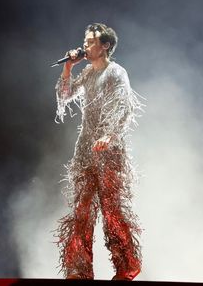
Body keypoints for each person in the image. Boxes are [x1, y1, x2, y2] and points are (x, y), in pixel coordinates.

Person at [54, 23, 145, 280]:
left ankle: (127, 267)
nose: (86, 45)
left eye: (91, 41)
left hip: (109, 151)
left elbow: (123, 107)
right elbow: (66, 94)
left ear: (105, 45)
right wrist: (68, 67)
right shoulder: (88, 73)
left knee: (112, 210)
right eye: (86, 40)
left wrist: (109, 134)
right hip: (85, 149)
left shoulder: (116, 72)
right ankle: (79, 269)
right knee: (81, 210)